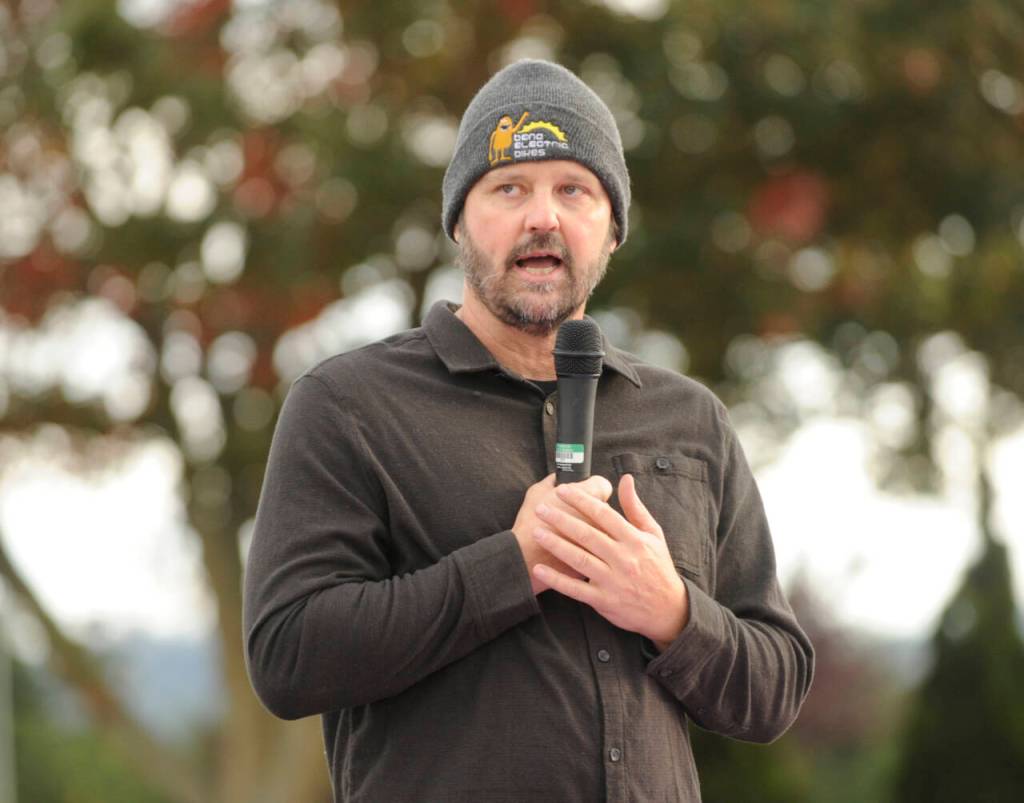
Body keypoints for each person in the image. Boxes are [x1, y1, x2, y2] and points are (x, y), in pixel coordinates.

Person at [243, 59, 813, 802]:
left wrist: (671, 611)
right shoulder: (348, 405)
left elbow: (776, 685)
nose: (543, 216)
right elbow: (288, 656)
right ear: (458, 222)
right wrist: (511, 564)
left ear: (612, 232)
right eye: (509, 188)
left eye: (574, 190)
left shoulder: (689, 417)